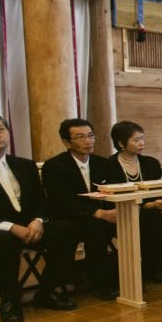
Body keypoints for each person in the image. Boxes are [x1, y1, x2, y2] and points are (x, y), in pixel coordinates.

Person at [0, 115, 78, 322]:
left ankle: (46, 291)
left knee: (66, 230)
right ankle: (10, 301)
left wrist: (38, 220)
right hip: (2, 230)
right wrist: (11, 227)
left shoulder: (25, 165)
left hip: (30, 225)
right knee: (3, 240)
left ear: (8, 133)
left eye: (1, 129)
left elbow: (40, 200)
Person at [41, 118, 119, 300]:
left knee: (133, 221)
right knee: (96, 228)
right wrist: (99, 213)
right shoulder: (54, 166)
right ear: (66, 142)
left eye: (90, 136)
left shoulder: (102, 163)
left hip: (99, 217)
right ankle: (97, 282)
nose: (88, 141)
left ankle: (132, 276)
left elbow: (112, 190)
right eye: (80, 137)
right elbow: (61, 201)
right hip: (68, 217)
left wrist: (112, 212)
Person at [108, 121, 162, 283]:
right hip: (123, 213)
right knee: (152, 219)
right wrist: (146, 206)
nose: (141, 143)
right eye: (136, 140)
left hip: (153, 208)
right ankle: (151, 268)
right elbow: (109, 199)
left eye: (142, 138)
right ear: (121, 143)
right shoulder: (109, 165)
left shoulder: (150, 163)